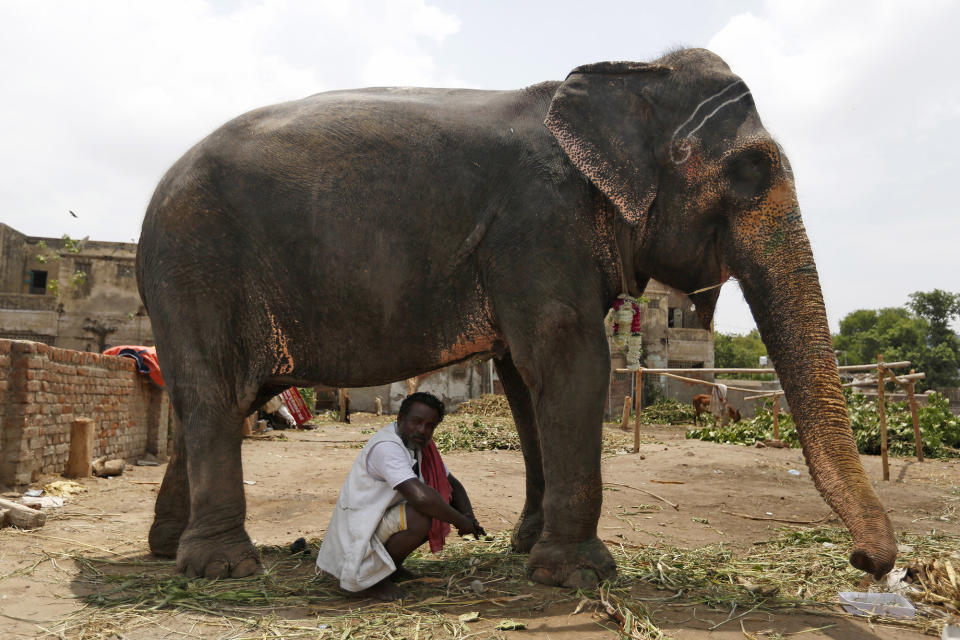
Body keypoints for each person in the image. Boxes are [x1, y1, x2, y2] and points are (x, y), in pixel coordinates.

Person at [317, 392, 485, 600]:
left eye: (430, 426)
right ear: (400, 419)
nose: (422, 430)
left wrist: (469, 517)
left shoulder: (420, 446)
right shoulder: (387, 447)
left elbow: (452, 484)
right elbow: (422, 499)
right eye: (416, 422)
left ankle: (390, 569)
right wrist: (461, 521)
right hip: (359, 528)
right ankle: (369, 583)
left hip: (378, 519)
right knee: (422, 514)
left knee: (439, 503)